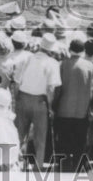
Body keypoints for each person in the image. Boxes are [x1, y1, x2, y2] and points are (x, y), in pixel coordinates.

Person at [14, 34, 61, 170]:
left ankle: (16, 164)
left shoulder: (27, 58)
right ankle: (38, 167)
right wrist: (51, 107)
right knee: (40, 138)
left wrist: (17, 98)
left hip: (23, 98)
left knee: (19, 134)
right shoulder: (53, 63)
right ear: (51, 50)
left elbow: (17, 82)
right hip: (40, 101)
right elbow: (51, 88)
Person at [54, 35, 93, 172]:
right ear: (83, 50)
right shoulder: (90, 66)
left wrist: (54, 105)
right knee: (80, 142)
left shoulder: (62, 64)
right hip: (82, 111)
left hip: (63, 110)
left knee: (64, 140)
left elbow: (57, 88)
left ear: (70, 49)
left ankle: (64, 166)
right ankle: (78, 166)